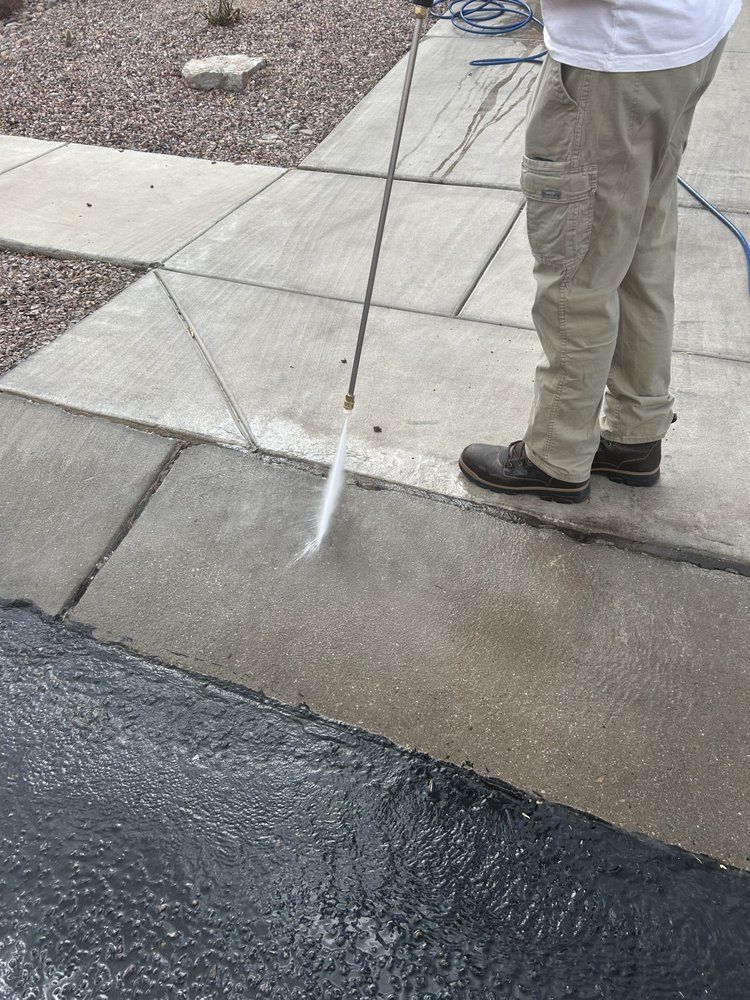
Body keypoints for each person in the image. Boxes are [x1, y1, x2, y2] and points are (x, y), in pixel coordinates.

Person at [459, 0, 742, 503]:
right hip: (687, 37)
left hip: (618, 58)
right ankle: (635, 436)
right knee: (642, 245)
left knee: (579, 272)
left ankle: (556, 456)